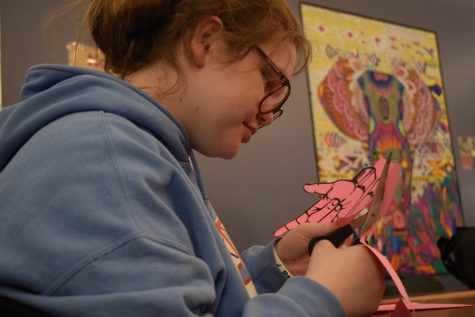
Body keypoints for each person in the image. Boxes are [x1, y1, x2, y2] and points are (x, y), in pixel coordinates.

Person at [0, 0, 385, 316]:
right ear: (206, 40)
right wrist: (322, 300)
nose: (270, 113)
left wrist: (275, 269)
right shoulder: (104, 161)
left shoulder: (143, 152)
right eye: (270, 82)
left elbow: (181, 297)